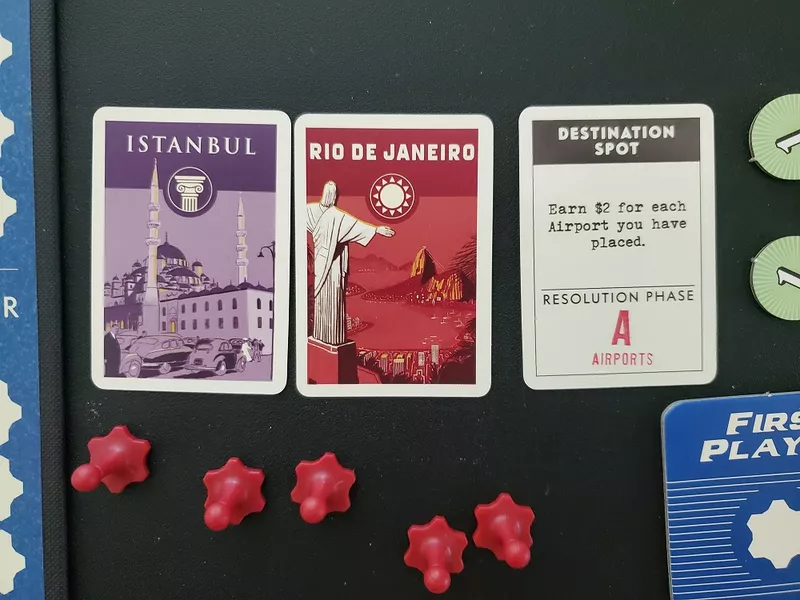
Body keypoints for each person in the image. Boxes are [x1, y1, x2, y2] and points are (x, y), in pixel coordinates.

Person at [307, 180, 394, 345]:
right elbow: (356, 227)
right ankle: (332, 337)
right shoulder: (335, 216)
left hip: (320, 261)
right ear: (334, 196)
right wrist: (377, 230)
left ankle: (321, 335)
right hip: (333, 266)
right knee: (333, 298)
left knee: (323, 300)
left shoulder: (310, 211)